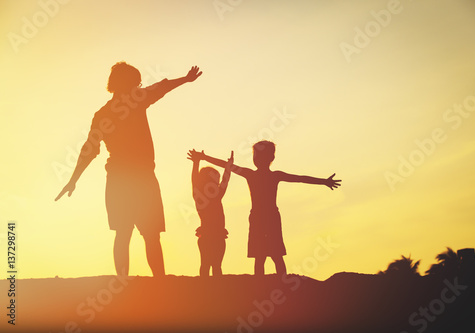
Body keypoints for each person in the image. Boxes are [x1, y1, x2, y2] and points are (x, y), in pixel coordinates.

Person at [55, 62, 202, 277]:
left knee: (135, 234)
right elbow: (90, 148)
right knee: (137, 234)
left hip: (129, 179)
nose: (138, 87)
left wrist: (73, 179)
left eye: (138, 83)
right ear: (122, 84)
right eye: (135, 83)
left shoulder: (110, 111)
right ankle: (144, 283)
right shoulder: (130, 102)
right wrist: (73, 179)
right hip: (131, 179)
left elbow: (161, 87)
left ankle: (147, 282)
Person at [188, 141, 341, 277]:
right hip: (266, 218)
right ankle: (268, 283)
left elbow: (299, 178)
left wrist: (204, 158)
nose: (255, 158)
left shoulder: (253, 175)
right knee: (270, 255)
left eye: (256, 155)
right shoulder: (270, 176)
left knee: (264, 256)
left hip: (262, 218)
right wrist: (324, 182)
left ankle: (261, 284)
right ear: (272, 158)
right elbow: (299, 178)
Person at [188, 151, 233, 277]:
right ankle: (213, 289)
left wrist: (196, 163)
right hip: (214, 234)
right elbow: (225, 181)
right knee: (214, 266)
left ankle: (206, 289)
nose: (217, 182)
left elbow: (195, 180)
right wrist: (228, 167)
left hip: (210, 235)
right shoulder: (214, 196)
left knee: (207, 265)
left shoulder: (199, 196)